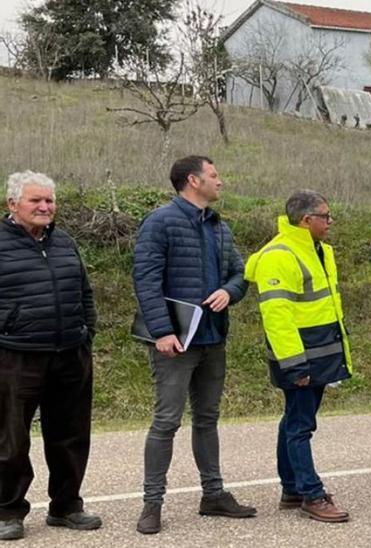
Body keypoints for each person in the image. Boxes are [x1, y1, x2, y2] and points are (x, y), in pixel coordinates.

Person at [132, 156, 255, 535]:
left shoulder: (220, 227)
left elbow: (240, 273)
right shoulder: (160, 222)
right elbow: (146, 279)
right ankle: (152, 503)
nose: (220, 181)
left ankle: (213, 495)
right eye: (214, 175)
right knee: (166, 421)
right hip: (175, 343)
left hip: (213, 337)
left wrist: (228, 291)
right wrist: (162, 331)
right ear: (192, 180)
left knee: (207, 419)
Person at [0, 172, 100, 541]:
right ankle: (8, 511)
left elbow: (85, 293)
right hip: (15, 357)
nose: (45, 207)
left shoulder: (64, 242)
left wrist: (86, 334)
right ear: (13, 204)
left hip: (70, 354)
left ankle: (67, 506)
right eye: (35, 201)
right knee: (9, 439)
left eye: (50, 201)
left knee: (71, 435)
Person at [245, 190, 352, 523]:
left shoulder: (317, 249)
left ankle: (292, 488)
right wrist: (295, 366)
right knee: (300, 425)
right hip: (300, 356)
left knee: (294, 418)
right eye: (326, 216)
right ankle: (311, 493)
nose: (330, 222)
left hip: (321, 350)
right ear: (307, 220)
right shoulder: (280, 255)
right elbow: (277, 317)